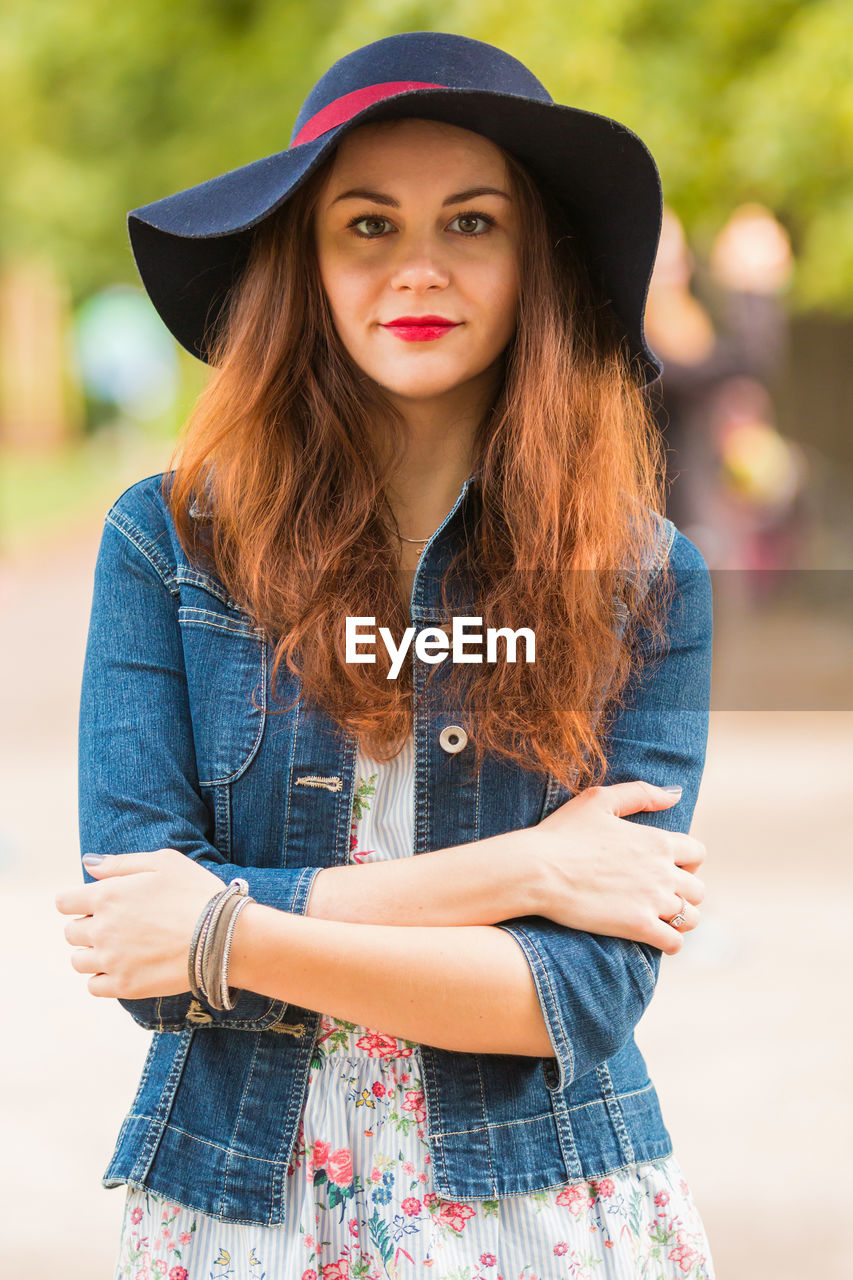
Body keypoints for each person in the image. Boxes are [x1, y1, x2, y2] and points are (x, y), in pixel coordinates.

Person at [55, 31, 716, 1280]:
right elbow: (142, 958)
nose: (418, 269)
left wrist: (223, 924)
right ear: (304, 261)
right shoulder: (166, 542)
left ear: (538, 264)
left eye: (471, 224)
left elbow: (570, 998)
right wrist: (525, 865)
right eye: (366, 225)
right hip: (242, 1211)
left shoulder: (643, 575)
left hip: (549, 1214)